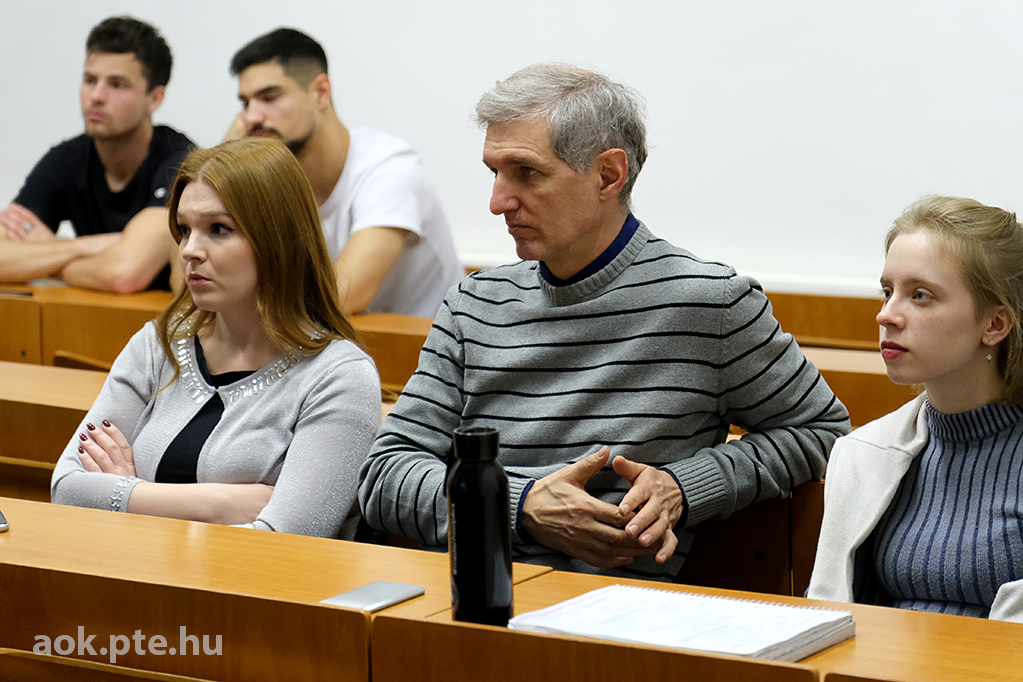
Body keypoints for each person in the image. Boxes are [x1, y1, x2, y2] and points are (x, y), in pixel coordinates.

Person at [358, 63, 850, 579]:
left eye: (526, 172)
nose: (498, 202)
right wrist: (519, 506)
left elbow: (824, 433)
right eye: (494, 172)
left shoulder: (711, 303)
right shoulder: (473, 305)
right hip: (469, 600)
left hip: (613, 614)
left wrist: (685, 486)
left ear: (608, 175)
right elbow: (384, 475)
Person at [50, 138, 382, 539]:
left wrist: (127, 495)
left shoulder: (340, 377)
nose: (189, 250)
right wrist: (218, 504)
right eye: (184, 229)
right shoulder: (158, 345)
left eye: (218, 229)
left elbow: (285, 541)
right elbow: (67, 487)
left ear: (276, 239)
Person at [808, 196, 1023, 621]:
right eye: (888, 292)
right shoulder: (863, 453)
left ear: (995, 324)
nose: (886, 315)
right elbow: (828, 617)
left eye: (920, 296)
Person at [223, 28, 463, 317]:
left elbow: (342, 296)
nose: (251, 117)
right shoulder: (271, 180)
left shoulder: (390, 168)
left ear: (321, 92)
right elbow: (198, 281)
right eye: (245, 103)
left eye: (269, 97)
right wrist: (225, 161)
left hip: (429, 342)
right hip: (337, 342)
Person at [0, 16, 194, 291]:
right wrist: (80, 247)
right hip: (88, 310)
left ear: (154, 98)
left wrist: (46, 254)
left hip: (156, 315)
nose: (96, 96)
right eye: (90, 80)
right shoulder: (66, 159)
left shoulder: (181, 162)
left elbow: (124, 273)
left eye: (117, 84)